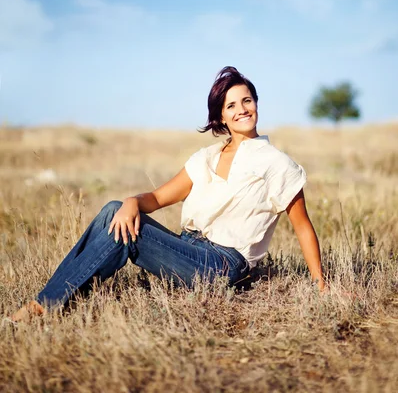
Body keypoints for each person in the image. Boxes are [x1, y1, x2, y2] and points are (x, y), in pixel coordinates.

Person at [11, 66, 325, 322]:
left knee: (125, 230)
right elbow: (158, 199)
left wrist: (320, 285)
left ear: (256, 103)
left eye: (247, 101)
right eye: (232, 105)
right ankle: (55, 300)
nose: (242, 110)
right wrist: (133, 202)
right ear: (221, 118)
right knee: (115, 209)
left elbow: (302, 226)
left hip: (224, 265)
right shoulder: (206, 159)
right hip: (188, 249)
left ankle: (43, 306)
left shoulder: (277, 164)